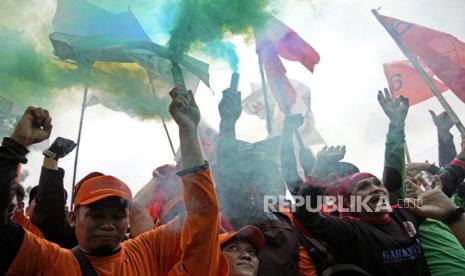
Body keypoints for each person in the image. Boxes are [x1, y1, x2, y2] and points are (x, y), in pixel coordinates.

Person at [1, 97, 221, 275]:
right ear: (73, 217)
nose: (108, 224)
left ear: (127, 219)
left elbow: (202, 216)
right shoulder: (47, 261)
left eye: (117, 216)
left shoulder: (148, 251)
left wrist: (188, 131)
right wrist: (16, 146)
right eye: (97, 215)